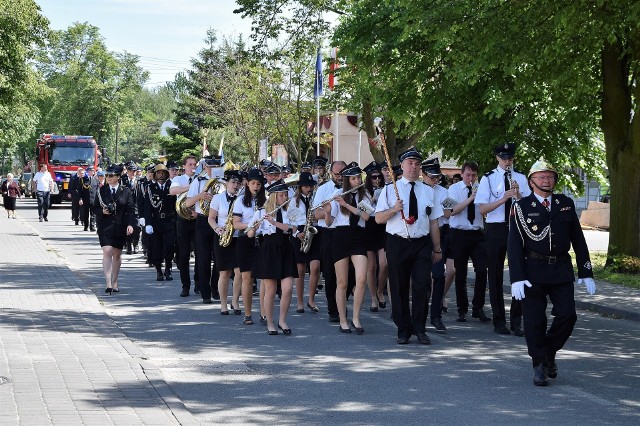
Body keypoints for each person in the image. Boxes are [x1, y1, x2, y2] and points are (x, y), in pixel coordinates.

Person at [508, 159, 596, 386]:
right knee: (534, 320)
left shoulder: (564, 203)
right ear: (531, 182)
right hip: (532, 270)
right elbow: (515, 244)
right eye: (541, 176)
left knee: (568, 315)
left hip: (560, 269)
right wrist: (516, 277)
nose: (547, 180)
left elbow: (578, 237)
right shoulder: (521, 206)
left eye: (550, 176)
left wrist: (586, 270)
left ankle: (548, 351)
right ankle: (539, 364)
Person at [375, 148, 442, 345]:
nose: (413, 167)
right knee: (398, 286)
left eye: (416, 163)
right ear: (402, 166)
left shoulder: (428, 192)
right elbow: (379, 219)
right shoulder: (390, 189)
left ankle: (420, 328)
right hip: (397, 241)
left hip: (421, 242)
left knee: (422, 285)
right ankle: (403, 329)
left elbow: (434, 222)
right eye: (409, 163)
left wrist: (437, 248)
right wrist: (394, 209)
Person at [476, 143, 531, 336]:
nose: (507, 161)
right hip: (496, 228)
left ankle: (517, 321)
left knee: (519, 273)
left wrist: (519, 195)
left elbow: (530, 207)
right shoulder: (488, 179)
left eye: (510, 158)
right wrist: (503, 199)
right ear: (497, 158)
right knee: (496, 275)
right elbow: (482, 209)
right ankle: (499, 320)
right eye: (504, 158)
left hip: (517, 227)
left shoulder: (521, 178)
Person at [324, 162, 371, 334]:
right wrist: (328, 211)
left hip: (358, 237)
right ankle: (342, 319)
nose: (357, 180)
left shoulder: (364, 195)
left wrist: (346, 204)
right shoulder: (337, 193)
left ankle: (356, 317)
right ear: (346, 180)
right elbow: (329, 223)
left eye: (358, 177)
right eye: (353, 178)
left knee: (361, 279)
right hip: (341, 237)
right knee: (342, 282)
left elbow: (366, 216)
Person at [247, 179, 298, 335]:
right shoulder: (262, 211)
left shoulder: (290, 210)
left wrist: (275, 223)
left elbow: (293, 228)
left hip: (286, 248)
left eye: (285, 195)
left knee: (288, 288)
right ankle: (270, 322)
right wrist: (255, 227)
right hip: (269, 249)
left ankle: (282, 320)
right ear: (274, 196)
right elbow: (249, 234)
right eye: (281, 195)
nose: (285, 198)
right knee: (270, 290)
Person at [447, 161, 491, 324]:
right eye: (467, 175)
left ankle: (478, 307)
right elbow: (450, 212)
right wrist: (471, 198)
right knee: (461, 273)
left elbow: (485, 210)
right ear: (462, 174)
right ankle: (462, 309)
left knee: (481, 270)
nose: (470, 178)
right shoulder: (453, 189)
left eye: (473, 175)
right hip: (458, 233)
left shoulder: (482, 188)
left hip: (477, 233)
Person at [93, 164, 136, 294]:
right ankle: (108, 283)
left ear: (118, 177)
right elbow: (94, 207)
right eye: (107, 175)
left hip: (120, 226)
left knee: (117, 253)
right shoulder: (101, 190)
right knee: (107, 251)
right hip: (105, 226)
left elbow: (130, 210)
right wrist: (102, 212)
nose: (108, 178)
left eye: (111, 175)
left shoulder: (126, 191)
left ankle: (115, 281)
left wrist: (130, 224)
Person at [185, 156, 222, 303]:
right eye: (210, 167)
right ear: (205, 167)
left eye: (216, 166)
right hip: (203, 220)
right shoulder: (198, 181)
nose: (213, 169)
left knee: (220, 257)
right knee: (203, 257)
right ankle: (205, 292)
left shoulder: (225, 182)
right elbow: (187, 203)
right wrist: (200, 196)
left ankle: (215, 287)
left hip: (220, 221)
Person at [232, 168, 267, 325]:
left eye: (258, 184)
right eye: (253, 183)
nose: (256, 186)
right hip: (245, 240)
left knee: (265, 278)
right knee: (247, 277)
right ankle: (247, 313)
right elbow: (236, 224)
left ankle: (264, 312)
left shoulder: (266, 201)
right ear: (247, 184)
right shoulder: (240, 201)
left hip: (263, 240)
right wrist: (252, 224)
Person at [313, 159, 346, 322]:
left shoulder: (351, 188)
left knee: (351, 274)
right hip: (329, 233)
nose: (340, 177)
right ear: (331, 173)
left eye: (342, 173)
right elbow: (314, 214)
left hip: (348, 233)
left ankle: (342, 302)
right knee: (330, 274)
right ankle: (334, 310)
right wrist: (328, 211)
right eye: (337, 174)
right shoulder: (323, 189)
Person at [421, 158, 451, 333]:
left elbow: (448, 213)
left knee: (439, 276)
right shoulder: (418, 190)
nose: (435, 181)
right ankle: (420, 315)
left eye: (437, 177)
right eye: (432, 177)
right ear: (423, 175)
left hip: (440, 233)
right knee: (422, 279)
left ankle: (436, 316)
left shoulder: (443, 192)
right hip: (422, 235)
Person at [209, 169, 242, 315]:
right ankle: (223, 304)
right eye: (233, 182)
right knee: (224, 272)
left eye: (238, 183)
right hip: (222, 237)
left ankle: (235, 301)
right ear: (227, 183)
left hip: (238, 237)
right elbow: (211, 218)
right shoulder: (218, 198)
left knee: (239, 272)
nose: (235, 185)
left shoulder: (242, 199)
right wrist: (217, 228)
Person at [287, 171, 321, 313]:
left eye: (310, 186)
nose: (308, 188)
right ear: (300, 187)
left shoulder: (316, 198)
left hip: (314, 230)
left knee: (315, 267)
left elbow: (322, 213)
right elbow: (290, 220)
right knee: (300, 270)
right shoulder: (294, 201)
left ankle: (311, 300)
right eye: (305, 186)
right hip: (300, 232)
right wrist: (296, 233)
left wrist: (317, 217)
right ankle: (300, 302)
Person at [170, 155, 199, 297]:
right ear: (184, 166)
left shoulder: (200, 178)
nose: (193, 167)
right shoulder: (178, 179)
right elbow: (173, 191)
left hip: (198, 219)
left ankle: (199, 283)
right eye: (190, 164)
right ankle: (185, 286)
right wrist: (192, 187)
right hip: (182, 219)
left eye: (195, 164)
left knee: (201, 253)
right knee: (183, 255)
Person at [143, 164, 177, 281]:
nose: (161, 174)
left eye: (163, 172)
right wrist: (148, 223)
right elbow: (147, 206)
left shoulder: (172, 186)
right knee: (156, 247)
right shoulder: (150, 188)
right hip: (156, 221)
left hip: (169, 220)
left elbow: (175, 205)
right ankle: (158, 270)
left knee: (169, 246)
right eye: (159, 172)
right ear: (155, 174)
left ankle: (168, 268)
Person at [363, 161, 388, 312]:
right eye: (374, 177)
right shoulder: (363, 191)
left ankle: (380, 290)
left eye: (379, 177)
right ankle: (373, 296)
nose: (377, 180)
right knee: (371, 266)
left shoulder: (386, 190)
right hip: (368, 227)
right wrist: (372, 201)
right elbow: (361, 211)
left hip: (382, 226)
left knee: (384, 264)